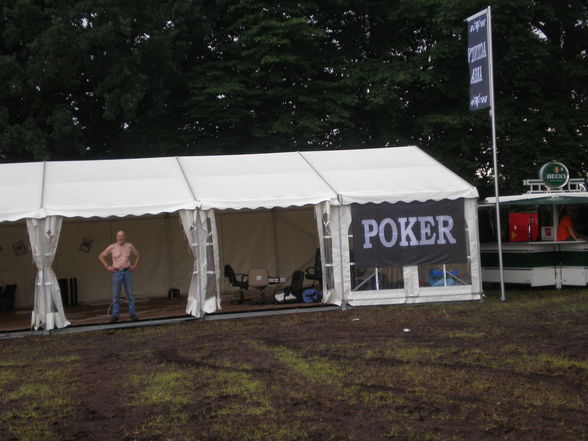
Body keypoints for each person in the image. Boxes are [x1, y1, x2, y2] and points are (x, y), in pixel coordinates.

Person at [98, 230, 141, 323]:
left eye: (122, 236)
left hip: (127, 272)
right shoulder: (112, 247)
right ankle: (115, 315)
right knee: (116, 295)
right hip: (116, 272)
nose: (120, 238)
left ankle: (132, 314)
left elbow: (138, 255)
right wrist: (107, 266)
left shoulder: (129, 246)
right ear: (116, 237)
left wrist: (134, 265)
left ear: (125, 237)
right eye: (118, 236)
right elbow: (101, 256)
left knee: (130, 295)